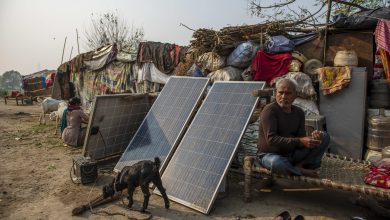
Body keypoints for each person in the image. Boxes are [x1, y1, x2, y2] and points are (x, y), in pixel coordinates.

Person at [257, 78, 330, 177]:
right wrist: (300, 141)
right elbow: (272, 140)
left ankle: (302, 165)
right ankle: (300, 170)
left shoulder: (299, 112)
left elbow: (300, 140)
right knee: (276, 163)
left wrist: (313, 139)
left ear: (295, 95)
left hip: (292, 154)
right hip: (270, 155)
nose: (283, 97)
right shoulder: (270, 110)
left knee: (324, 137)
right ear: (275, 93)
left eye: (288, 93)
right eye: (280, 93)